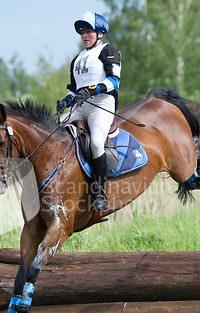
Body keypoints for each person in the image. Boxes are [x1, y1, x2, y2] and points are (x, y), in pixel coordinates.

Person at [57, 12, 122, 211]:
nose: (85, 36)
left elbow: (113, 81)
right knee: (54, 130)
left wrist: (92, 90)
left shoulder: (108, 50)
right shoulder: (77, 59)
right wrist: (66, 100)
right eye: (83, 33)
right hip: (80, 106)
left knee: (95, 142)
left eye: (89, 32)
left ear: (100, 33)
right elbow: (73, 89)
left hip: (102, 104)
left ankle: (100, 193)